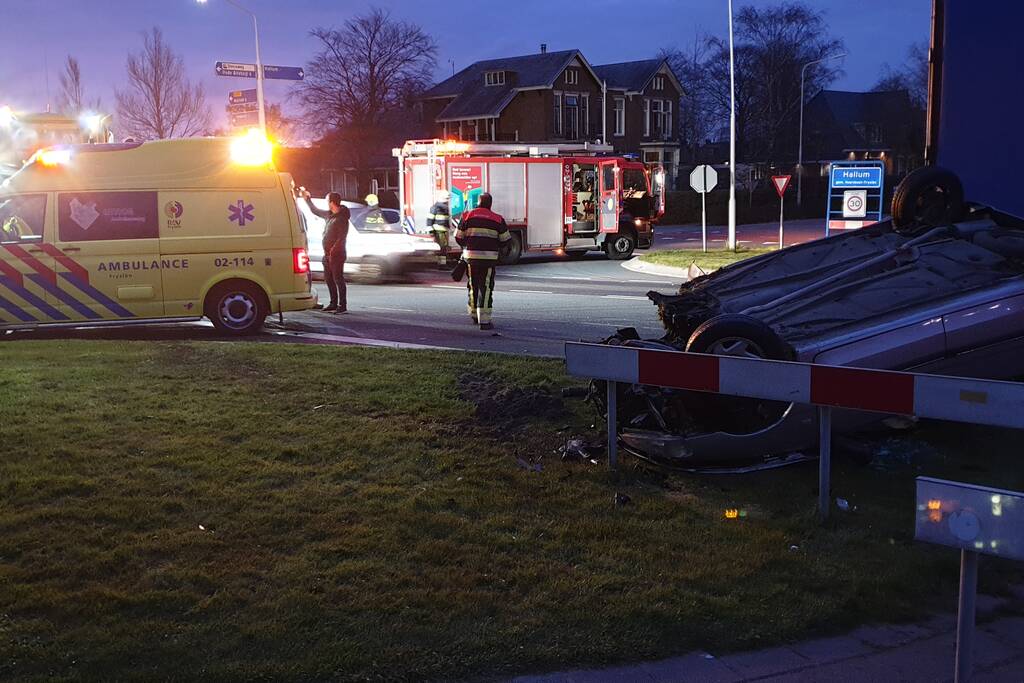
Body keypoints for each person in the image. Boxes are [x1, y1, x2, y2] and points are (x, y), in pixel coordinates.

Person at [454, 192, 510, 330]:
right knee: (485, 288)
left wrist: (469, 244)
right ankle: (484, 321)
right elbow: (505, 240)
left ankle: (474, 315)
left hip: (471, 259)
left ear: (477, 202)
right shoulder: (498, 219)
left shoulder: (467, 216)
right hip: (488, 260)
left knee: (473, 285)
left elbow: (458, 237)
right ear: (490, 204)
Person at [302, 188, 351, 314]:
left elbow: (341, 238)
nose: (326, 203)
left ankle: (342, 305)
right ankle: (333, 303)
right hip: (327, 254)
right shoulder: (330, 215)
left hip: (337, 255)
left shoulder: (342, 218)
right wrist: (307, 199)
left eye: (327, 200)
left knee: (338, 279)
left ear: (332, 202)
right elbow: (315, 211)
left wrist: (333, 252)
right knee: (328, 279)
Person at [426, 190, 451, 255]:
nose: (448, 200)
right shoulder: (436, 207)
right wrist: (431, 231)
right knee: (442, 248)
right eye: (447, 198)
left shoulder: (441, 207)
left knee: (443, 247)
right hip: (439, 231)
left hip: (442, 230)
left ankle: (442, 262)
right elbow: (430, 219)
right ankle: (442, 263)